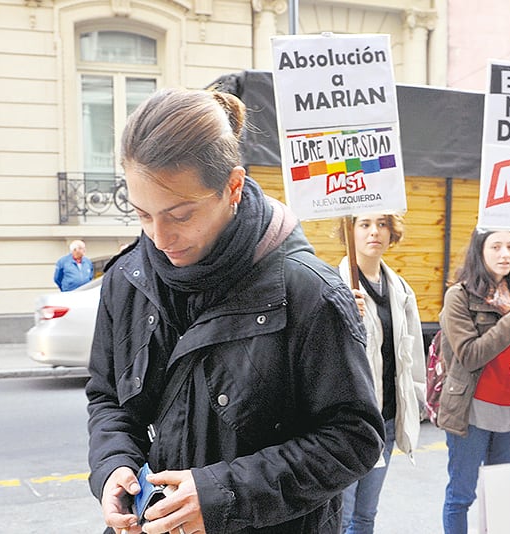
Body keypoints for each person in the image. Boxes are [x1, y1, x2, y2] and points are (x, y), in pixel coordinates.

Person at [85, 88, 384, 534]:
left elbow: (353, 439)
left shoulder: (309, 290)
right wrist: (112, 465)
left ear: (233, 187)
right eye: (142, 214)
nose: (160, 237)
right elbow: (108, 399)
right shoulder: (127, 278)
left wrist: (220, 494)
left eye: (181, 214)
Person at [437, 229, 510, 534]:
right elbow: (470, 355)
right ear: (479, 252)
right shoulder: (459, 296)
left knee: (502, 495)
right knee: (462, 495)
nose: (505, 254)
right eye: (496, 246)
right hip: (471, 412)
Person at [335, 213, 426, 534]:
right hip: (346, 424)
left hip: (383, 420)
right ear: (350, 231)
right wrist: (344, 313)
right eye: (365, 224)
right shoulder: (332, 285)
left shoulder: (400, 288)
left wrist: (416, 402)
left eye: (382, 224)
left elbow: (411, 355)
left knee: (365, 516)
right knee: (340, 516)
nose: (375, 232)